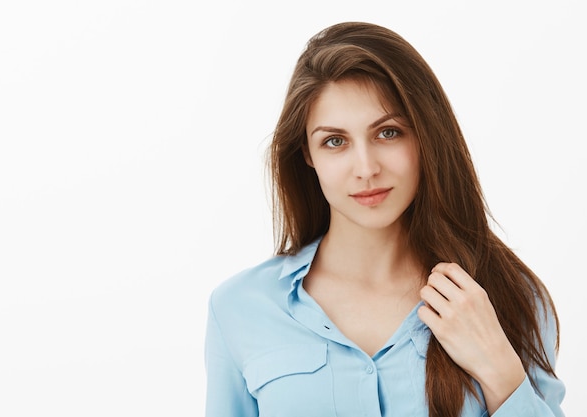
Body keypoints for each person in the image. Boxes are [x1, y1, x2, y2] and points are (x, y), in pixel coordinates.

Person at [204, 21, 565, 417]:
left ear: (425, 136)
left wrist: (500, 370)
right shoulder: (240, 308)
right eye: (335, 141)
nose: (366, 168)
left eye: (388, 133)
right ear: (307, 154)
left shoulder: (509, 294)